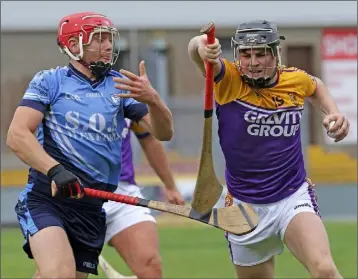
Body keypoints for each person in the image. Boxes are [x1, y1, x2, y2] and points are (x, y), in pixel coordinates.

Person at [7, 12, 173, 279]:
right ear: (74, 45)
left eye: (110, 39)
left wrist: (153, 100)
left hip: (91, 208)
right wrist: (55, 170)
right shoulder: (50, 81)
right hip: (47, 198)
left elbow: (163, 133)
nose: (108, 45)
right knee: (59, 274)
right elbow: (17, 135)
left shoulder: (121, 86)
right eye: (99, 39)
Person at [188, 20, 349, 279]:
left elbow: (315, 85)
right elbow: (195, 49)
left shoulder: (293, 79)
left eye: (261, 53)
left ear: (275, 53)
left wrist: (333, 112)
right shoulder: (228, 79)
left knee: (324, 270)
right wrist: (201, 46)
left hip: (291, 197)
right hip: (243, 208)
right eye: (245, 54)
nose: (252, 62)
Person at [102, 118, 185, 279]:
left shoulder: (129, 95)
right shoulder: (54, 93)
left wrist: (170, 186)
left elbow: (149, 139)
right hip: (74, 194)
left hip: (123, 195)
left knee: (151, 267)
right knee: (62, 273)